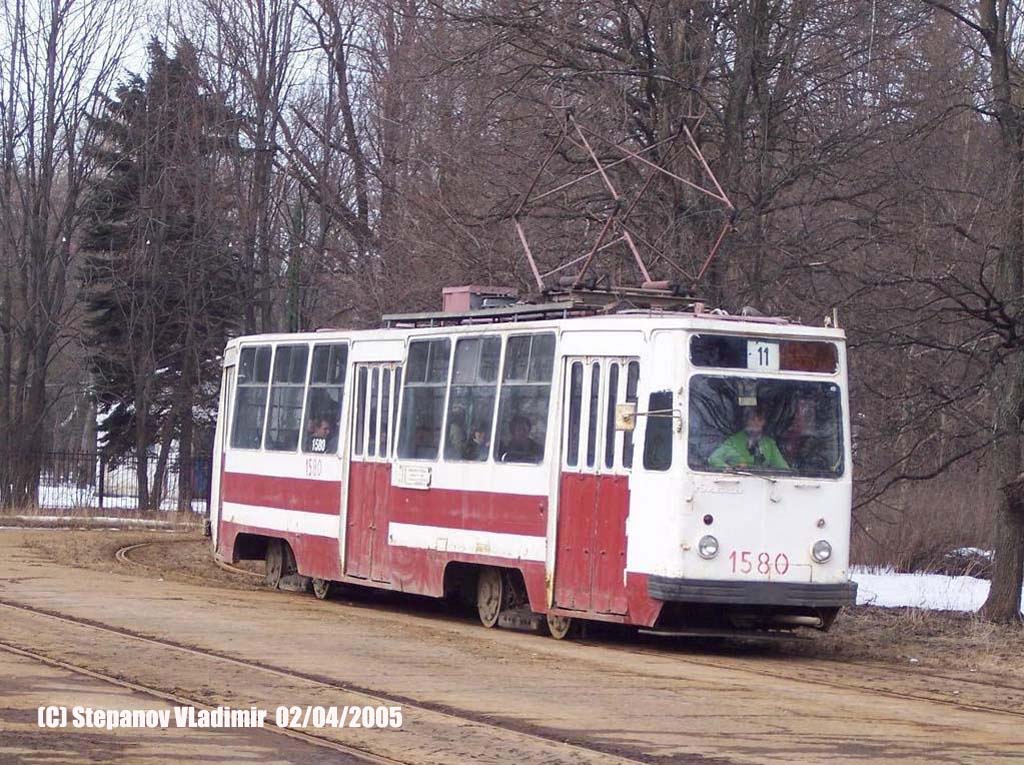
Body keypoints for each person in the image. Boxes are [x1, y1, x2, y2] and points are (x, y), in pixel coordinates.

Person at [708, 405, 789, 471]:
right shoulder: (733, 441)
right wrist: (730, 469)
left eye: (760, 419)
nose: (756, 423)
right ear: (746, 420)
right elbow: (713, 459)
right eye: (752, 419)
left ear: (764, 422)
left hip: (766, 482)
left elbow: (784, 468)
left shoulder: (769, 444)